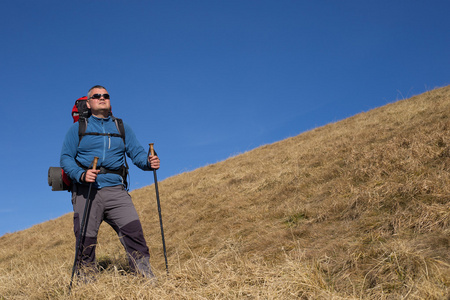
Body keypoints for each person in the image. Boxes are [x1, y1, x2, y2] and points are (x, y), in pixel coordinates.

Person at [60, 85, 160, 280]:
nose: (102, 98)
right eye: (96, 96)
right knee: (85, 240)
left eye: (105, 95)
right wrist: (81, 174)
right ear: (88, 103)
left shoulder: (121, 127)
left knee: (134, 233)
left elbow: (137, 153)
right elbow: (65, 158)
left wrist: (149, 162)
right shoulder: (78, 128)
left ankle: (145, 276)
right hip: (86, 190)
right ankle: (86, 280)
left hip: (116, 190)